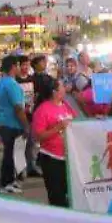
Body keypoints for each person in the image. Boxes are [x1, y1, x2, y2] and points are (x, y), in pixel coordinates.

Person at [31, 74, 77, 207]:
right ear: (55, 92)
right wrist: (58, 127)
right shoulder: (43, 110)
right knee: (56, 196)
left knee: (69, 193)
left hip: (68, 157)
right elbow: (38, 136)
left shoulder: (65, 105)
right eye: (62, 86)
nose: (65, 88)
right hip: (52, 158)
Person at [0, 55, 28, 194]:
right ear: (14, 67)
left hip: (2, 122)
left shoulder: (1, 82)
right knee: (10, 155)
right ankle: (6, 183)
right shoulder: (12, 85)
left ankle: (10, 180)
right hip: (11, 124)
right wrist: (26, 125)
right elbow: (18, 108)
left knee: (10, 154)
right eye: (20, 65)